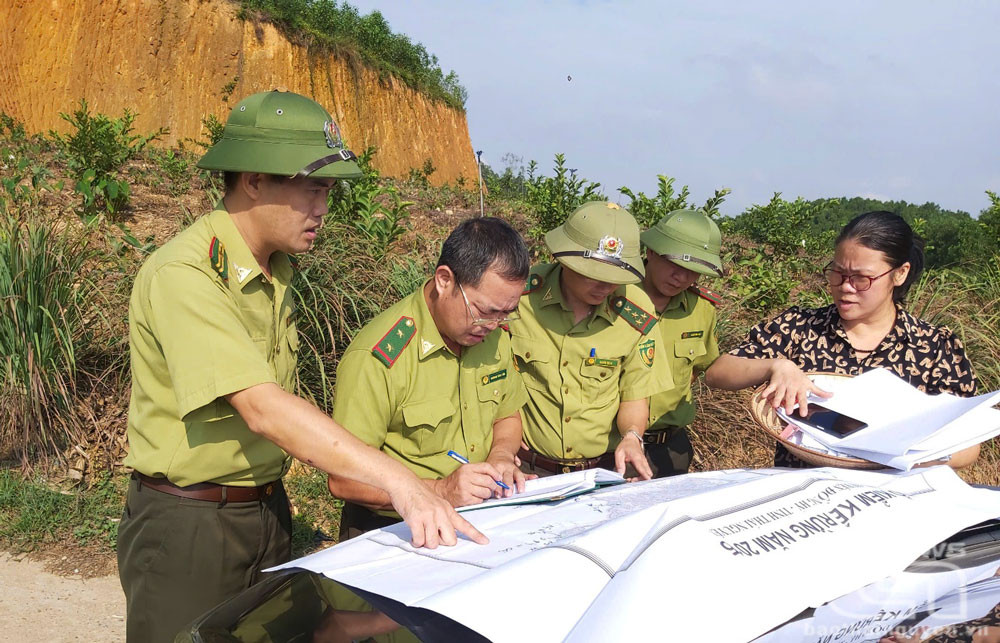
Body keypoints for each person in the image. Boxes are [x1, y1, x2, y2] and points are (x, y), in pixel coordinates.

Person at [117, 90, 484, 643]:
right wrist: (403, 483)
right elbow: (264, 408)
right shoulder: (186, 274)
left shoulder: (276, 271)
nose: (323, 208)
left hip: (265, 509)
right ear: (253, 180)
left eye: (329, 192)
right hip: (189, 522)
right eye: (312, 190)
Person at [705, 210, 980, 469]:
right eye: (838, 273)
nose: (845, 287)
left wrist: (905, 455)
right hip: (803, 504)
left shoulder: (933, 347)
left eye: (862, 279)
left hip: (892, 501)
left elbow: (969, 445)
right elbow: (718, 372)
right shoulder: (801, 327)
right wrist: (775, 366)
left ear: (900, 273)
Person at [327, 217, 531, 538]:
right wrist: (441, 490)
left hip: (478, 519)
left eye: (506, 313)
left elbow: (507, 414)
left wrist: (502, 457)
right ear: (444, 280)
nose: (493, 324)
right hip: (394, 531)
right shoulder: (379, 356)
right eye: (484, 310)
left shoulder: (492, 338)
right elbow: (344, 479)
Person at [510, 201, 674, 480]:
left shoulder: (636, 312)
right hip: (526, 471)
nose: (606, 287)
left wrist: (632, 436)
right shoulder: (520, 298)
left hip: (601, 472)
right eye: (595, 276)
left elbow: (635, 394)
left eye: (616, 277)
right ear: (564, 260)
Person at [639, 209, 723, 477]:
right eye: (675, 265)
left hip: (670, 448)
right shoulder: (612, 295)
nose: (682, 278)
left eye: (693, 271)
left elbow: (700, 368)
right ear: (651, 251)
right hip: (612, 445)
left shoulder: (701, 309)